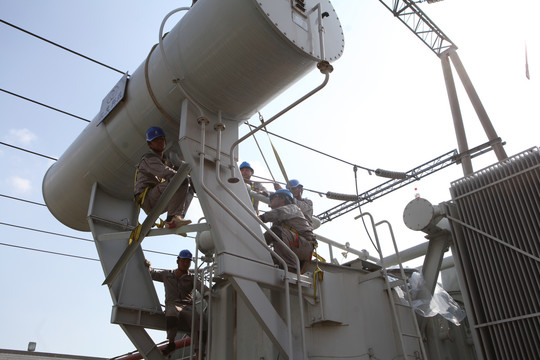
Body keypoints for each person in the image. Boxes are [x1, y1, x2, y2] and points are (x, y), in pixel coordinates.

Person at [145, 249, 209, 358]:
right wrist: (148, 266)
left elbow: (202, 288)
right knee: (172, 312)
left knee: (198, 319)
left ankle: (199, 352)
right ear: (178, 261)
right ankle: (171, 343)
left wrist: (209, 294)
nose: (185, 263)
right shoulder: (167, 275)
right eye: (183, 260)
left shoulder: (192, 278)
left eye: (188, 262)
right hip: (172, 304)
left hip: (188, 306)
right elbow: (152, 274)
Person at [134, 126, 192, 229]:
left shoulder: (164, 160)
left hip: (157, 196)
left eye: (161, 139)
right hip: (147, 198)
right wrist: (184, 175)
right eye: (155, 140)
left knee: (189, 187)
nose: (160, 142)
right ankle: (171, 219)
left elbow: (174, 171)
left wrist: (192, 178)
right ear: (149, 144)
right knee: (181, 180)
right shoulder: (149, 159)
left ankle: (177, 218)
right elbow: (166, 173)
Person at [259, 189, 317, 273]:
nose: (270, 201)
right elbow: (268, 235)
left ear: (282, 199)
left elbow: (279, 213)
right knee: (272, 248)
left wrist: (261, 218)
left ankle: (290, 268)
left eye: (273, 198)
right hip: (296, 246)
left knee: (276, 231)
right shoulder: (278, 221)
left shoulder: (293, 208)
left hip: (304, 246)